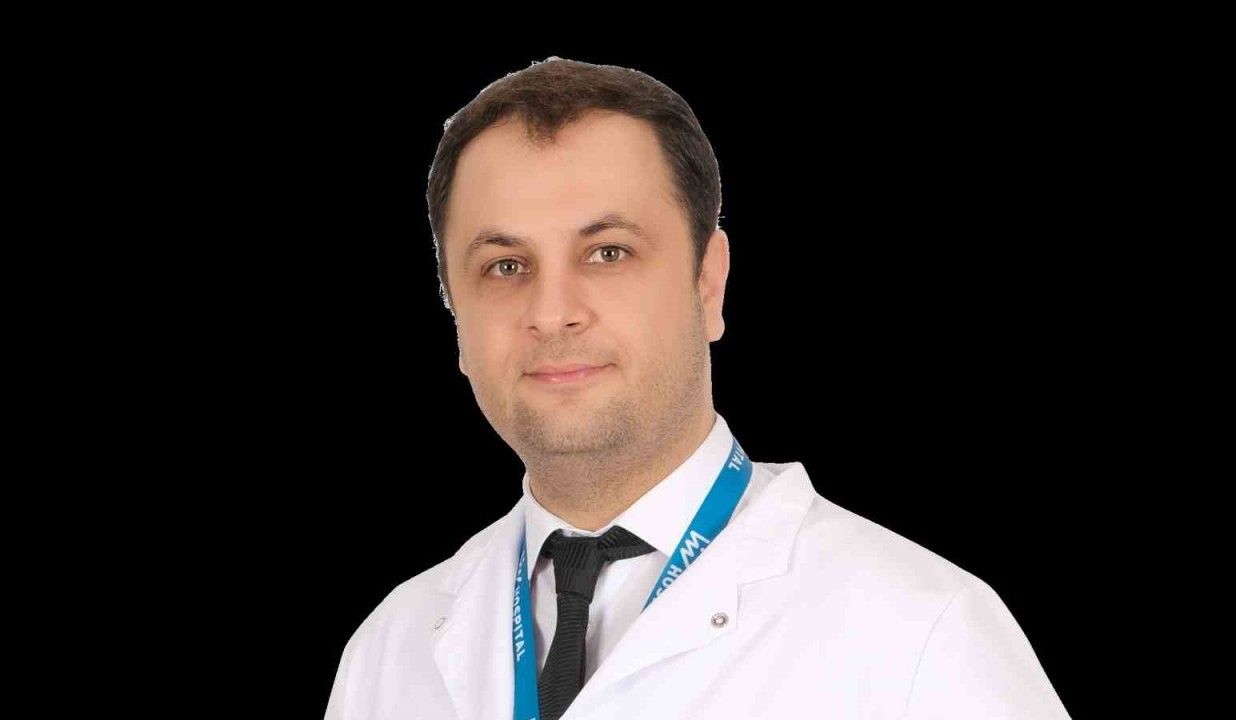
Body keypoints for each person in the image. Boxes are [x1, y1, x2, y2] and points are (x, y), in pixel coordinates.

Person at [323, 56, 1071, 720]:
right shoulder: (390, 651)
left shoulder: (924, 637)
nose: (552, 313)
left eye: (608, 252)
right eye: (505, 266)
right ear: (454, 310)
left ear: (709, 283)